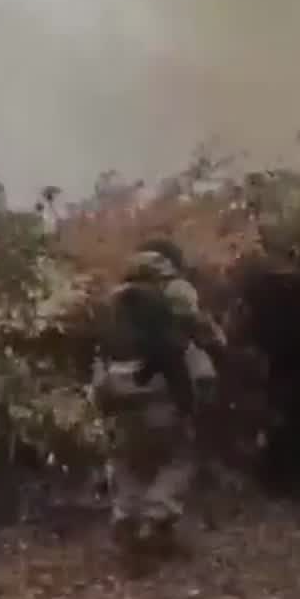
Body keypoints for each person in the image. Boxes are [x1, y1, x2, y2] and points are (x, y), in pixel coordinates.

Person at [90, 239, 226, 565]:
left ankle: (126, 518)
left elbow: (93, 348)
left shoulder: (113, 299)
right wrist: (191, 401)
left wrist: (101, 399)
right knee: (179, 456)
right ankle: (154, 518)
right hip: (162, 386)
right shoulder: (176, 293)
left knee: (126, 460)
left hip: (114, 387)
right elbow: (195, 341)